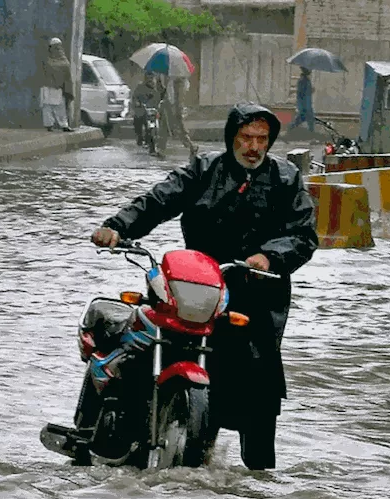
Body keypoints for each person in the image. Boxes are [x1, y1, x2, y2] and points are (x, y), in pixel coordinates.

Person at [89, 103, 318, 470]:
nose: (254, 146)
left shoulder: (286, 179)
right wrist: (118, 226)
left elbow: (304, 234)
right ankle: (120, 430)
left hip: (254, 294)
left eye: (262, 139)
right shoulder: (204, 168)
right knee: (146, 340)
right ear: (232, 138)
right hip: (192, 285)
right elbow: (159, 200)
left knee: (259, 384)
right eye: (246, 137)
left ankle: (258, 475)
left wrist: (270, 257)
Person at [39, 37, 73, 132]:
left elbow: (66, 73)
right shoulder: (47, 59)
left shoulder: (59, 59)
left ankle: (62, 125)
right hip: (48, 86)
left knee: (58, 106)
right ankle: (51, 125)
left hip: (57, 87)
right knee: (48, 106)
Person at [131, 73, 163, 146]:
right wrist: (137, 103)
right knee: (137, 119)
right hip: (141, 110)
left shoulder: (157, 89)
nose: (150, 80)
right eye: (148, 78)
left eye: (152, 78)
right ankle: (139, 137)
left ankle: (151, 138)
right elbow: (135, 97)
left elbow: (159, 99)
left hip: (153, 111)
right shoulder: (140, 88)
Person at [289, 67, 315, 133]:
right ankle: (312, 134)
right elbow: (302, 93)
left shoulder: (305, 80)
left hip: (306, 104)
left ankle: (290, 129)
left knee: (300, 119)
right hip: (305, 105)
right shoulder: (303, 80)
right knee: (309, 120)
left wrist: (310, 90)